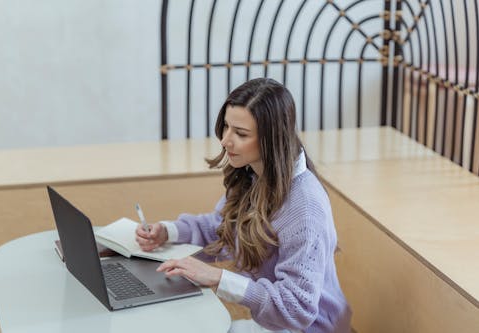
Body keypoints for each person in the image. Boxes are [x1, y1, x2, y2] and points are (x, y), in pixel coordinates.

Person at [135, 78, 351, 333]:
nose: (226, 141)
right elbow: (222, 229)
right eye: (226, 127)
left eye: (241, 133)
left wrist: (218, 278)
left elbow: (297, 308)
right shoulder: (253, 175)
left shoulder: (304, 207)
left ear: (271, 139)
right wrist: (168, 232)